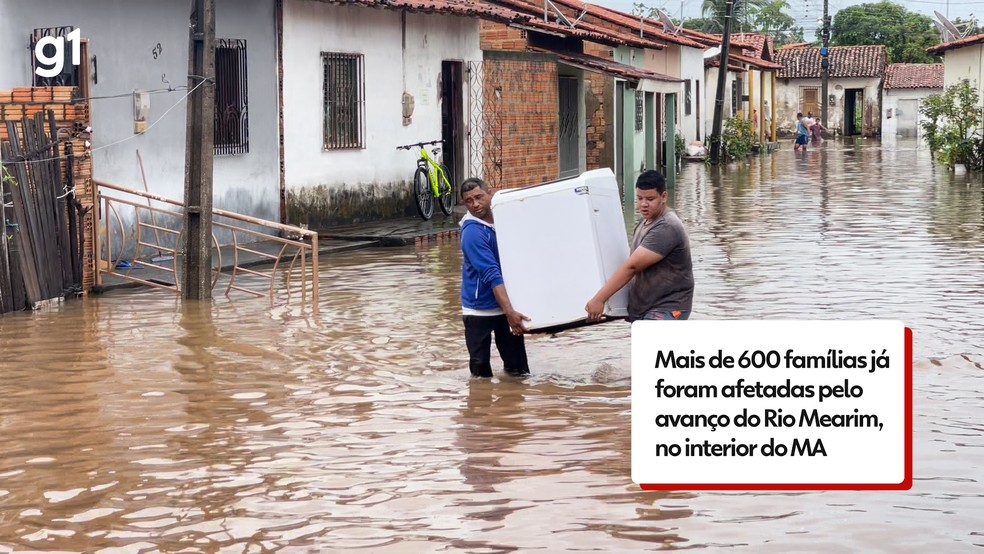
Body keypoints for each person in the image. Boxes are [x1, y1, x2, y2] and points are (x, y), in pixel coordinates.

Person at [585, 170, 694, 322]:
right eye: (639, 198)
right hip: (647, 308)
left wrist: (599, 299)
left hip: (667, 308)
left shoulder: (667, 227)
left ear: (663, 197)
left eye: (650, 199)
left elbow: (632, 267)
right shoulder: (644, 223)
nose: (643, 204)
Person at [459, 177, 530, 378]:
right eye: (469, 201)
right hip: (479, 308)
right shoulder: (472, 232)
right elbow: (491, 274)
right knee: (480, 373)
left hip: (506, 305)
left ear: (490, 194)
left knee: (518, 370)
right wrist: (510, 311)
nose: (475, 204)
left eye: (479, 197)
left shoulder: (502, 219)